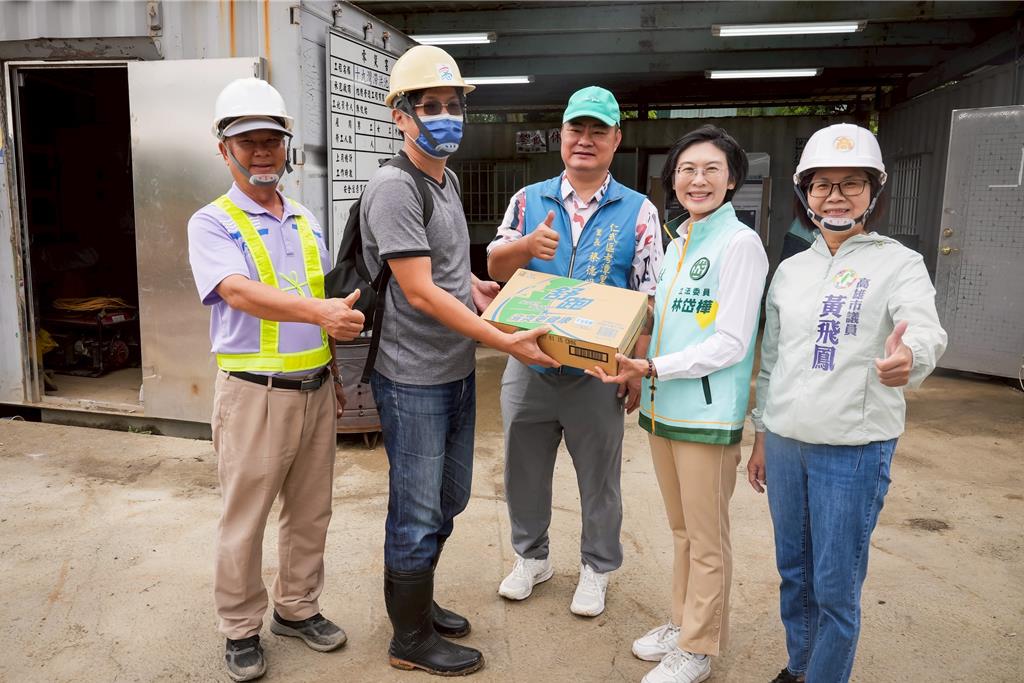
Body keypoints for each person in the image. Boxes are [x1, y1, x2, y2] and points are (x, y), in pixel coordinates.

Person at [361, 45, 558, 677]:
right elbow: (415, 289)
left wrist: (477, 287)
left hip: (452, 370)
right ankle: (409, 638)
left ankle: (419, 605)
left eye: (453, 105)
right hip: (414, 376)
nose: (446, 116)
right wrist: (500, 340)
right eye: (431, 106)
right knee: (416, 508)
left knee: (449, 498)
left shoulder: (442, 179)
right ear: (400, 115)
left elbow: (441, 273)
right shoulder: (395, 185)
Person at [746, 123, 947, 683]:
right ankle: (799, 664)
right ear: (804, 194)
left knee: (835, 582)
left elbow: (924, 328)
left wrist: (911, 357)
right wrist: (762, 433)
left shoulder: (898, 263)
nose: (835, 196)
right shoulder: (791, 269)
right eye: (822, 185)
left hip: (852, 450)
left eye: (851, 183)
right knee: (794, 571)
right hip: (786, 442)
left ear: (873, 192)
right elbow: (772, 360)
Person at [187, 77, 364, 682]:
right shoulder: (212, 223)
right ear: (224, 149)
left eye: (272, 141)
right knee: (246, 517)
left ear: (288, 147)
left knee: (311, 513)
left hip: (314, 388)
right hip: (252, 393)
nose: (262, 152)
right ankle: (240, 626)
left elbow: (320, 301)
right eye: (248, 142)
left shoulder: (306, 219)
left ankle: (296, 609)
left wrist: (334, 372)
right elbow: (236, 291)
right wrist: (322, 314)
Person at [589, 124, 768, 683]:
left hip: (707, 415)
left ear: (732, 179)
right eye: (687, 170)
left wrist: (654, 367)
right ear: (674, 181)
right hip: (665, 410)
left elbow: (732, 341)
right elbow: (657, 318)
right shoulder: (679, 241)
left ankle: (699, 647)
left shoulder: (739, 244)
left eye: (711, 169)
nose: (698, 179)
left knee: (708, 538)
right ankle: (682, 622)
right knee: (683, 531)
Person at [487, 86, 664, 617]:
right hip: (530, 359)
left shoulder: (639, 211)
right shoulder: (527, 200)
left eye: (597, 131)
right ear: (561, 135)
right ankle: (531, 558)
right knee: (523, 468)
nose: (584, 140)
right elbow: (497, 270)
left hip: (597, 370)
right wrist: (523, 248)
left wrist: (637, 365)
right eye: (576, 129)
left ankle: (597, 567)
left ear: (615, 140)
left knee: (599, 476)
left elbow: (647, 294)